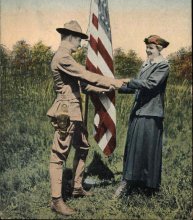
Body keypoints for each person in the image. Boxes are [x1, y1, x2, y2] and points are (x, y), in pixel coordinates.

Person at [47, 20, 127, 216]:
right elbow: (85, 75)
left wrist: (105, 88)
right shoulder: (63, 57)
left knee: (82, 147)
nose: (81, 44)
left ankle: (76, 187)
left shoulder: (66, 58)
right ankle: (56, 200)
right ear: (71, 37)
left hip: (74, 112)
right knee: (59, 155)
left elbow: (82, 86)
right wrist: (114, 82)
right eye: (79, 40)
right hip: (65, 112)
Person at [114, 35, 170, 198]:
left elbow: (151, 84)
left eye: (151, 48)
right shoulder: (146, 65)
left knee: (148, 150)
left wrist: (129, 81)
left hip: (151, 113)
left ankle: (148, 187)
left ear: (159, 49)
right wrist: (117, 87)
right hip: (139, 111)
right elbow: (138, 87)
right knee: (134, 148)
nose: (148, 51)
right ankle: (130, 182)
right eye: (147, 48)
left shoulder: (163, 66)